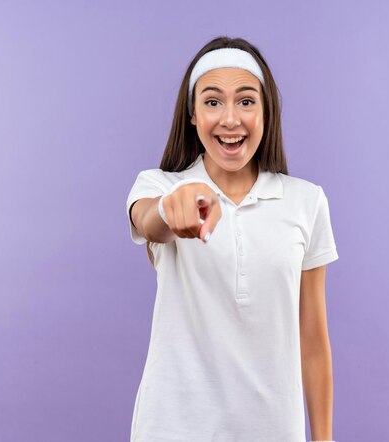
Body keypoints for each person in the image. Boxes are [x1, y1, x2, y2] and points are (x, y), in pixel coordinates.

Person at [125, 36, 338, 442]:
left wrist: (324, 438)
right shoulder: (159, 185)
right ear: (191, 115)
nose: (229, 119)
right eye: (212, 101)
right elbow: (150, 220)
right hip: (172, 427)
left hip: (273, 430)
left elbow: (312, 339)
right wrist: (173, 208)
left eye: (245, 101)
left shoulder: (306, 201)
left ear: (265, 112)